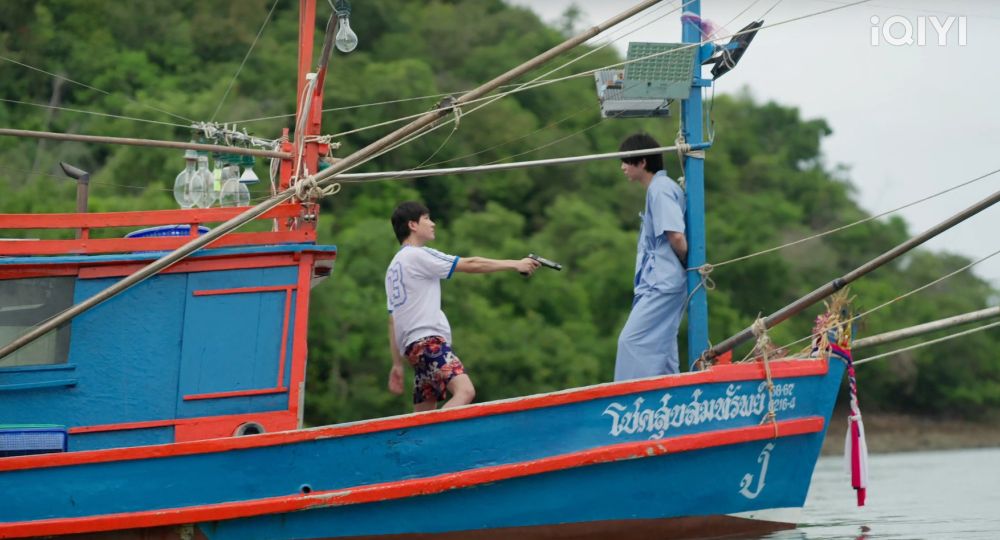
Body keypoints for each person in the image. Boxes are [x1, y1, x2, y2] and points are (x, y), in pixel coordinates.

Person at [385, 201, 541, 412]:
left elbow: (393, 319)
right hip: (429, 343)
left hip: (413, 350)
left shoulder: (394, 267)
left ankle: (423, 443)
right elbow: (471, 264)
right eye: (427, 219)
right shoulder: (417, 254)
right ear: (412, 225)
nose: (433, 224)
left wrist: (396, 363)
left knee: (423, 415)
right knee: (465, 391)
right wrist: (515, 264)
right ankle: (439, 438)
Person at [614, 133, 688, 381]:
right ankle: (670, 400)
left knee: (631, 341)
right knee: (663, 349)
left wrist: (687, 263)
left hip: (662, 282)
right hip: (659, 281)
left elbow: (676, 236)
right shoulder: (658, 189)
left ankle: (629, 401)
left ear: (642, 162)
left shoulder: (660, 189)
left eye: (626, 161)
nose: (623, 167)